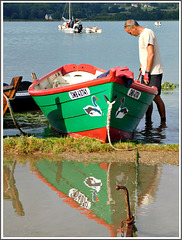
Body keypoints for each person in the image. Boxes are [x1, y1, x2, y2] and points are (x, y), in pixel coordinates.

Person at [124, 19, 166, 124]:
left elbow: (151, 53)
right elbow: (146, 54)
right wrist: (142, 64)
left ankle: (163, 121)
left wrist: (147, 72)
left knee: (156, 97)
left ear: (133, 27)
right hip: (146, 70)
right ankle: (148, 122)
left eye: (129, 33)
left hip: (153, 71)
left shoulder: (147, 33)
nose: (130, 35)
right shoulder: (142, 36)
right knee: (146, 98)